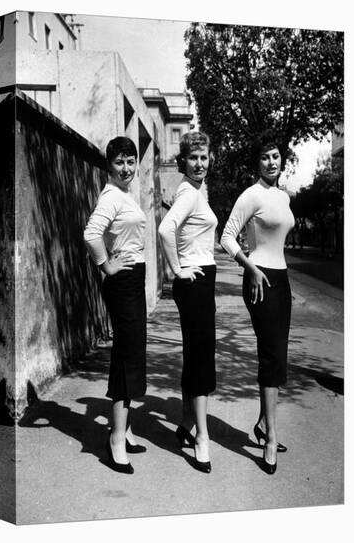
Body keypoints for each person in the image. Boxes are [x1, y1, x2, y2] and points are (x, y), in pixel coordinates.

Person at [220, 133, 295, 474]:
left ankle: (264, 424)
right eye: (265, 157)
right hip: (259, 278)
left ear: (283, 159)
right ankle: (269, 438)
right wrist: (250, 267)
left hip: (282, 280)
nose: (272, 162)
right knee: (270, 353)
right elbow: (226, 236)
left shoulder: (284, 196)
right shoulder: (251, 195)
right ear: (257, 162)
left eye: (276, 155)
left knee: (279, 354)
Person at [84, 136, 147, 475]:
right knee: (126, 356)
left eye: (131, 161)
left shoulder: (125, 195)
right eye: (120, 162)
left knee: (133, 354)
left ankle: (126, 428)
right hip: (122, 281)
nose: (127, 168)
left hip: (133, 278)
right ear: (109, 165)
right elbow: (91, 234)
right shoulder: (111, 196)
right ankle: (116, 439)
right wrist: (106, 266)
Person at [158, 131, 218, 473]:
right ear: (184, 160)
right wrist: (178, 270)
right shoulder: (188, 193)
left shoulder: (197, 190)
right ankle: (202, 438)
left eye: (204, 157)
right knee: (200, 359)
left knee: (196, 353)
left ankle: (185, 422)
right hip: (193, 281)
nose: (199, 163)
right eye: (193, 158)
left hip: (200, 279)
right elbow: (166, 230)